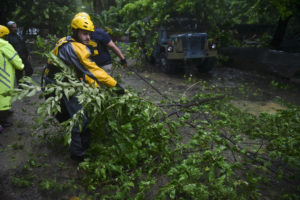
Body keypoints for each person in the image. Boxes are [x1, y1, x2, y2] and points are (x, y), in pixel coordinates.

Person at [43, 16, 124, 161]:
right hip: (59, 86)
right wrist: (115, 86)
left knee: (76, 115)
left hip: (57, 82)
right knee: (79, 117)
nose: (88, 37)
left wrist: (96, 86)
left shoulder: (66, 40)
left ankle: (82, 142)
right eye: (84, 33)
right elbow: (92, 70)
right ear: (75, 32)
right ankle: (78, 154)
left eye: (89, 33)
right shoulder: (75, 48)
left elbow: (82, 72)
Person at [0, 25, 24, 132]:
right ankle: (3, 121)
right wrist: (22, 66)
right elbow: (16, 59)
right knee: (4, 97)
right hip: (4, 76)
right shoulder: (5, 45)